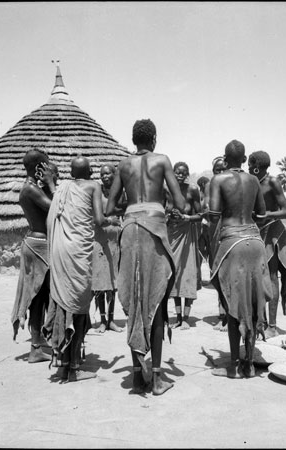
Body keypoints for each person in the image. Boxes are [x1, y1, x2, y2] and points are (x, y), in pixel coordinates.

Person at [106, 119, 185, 395]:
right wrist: (162, 207)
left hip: (129, 228)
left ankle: (139, 377)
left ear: (133, 140)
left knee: (137, 300)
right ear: (153, 139)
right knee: (157, 299)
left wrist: (131, 210)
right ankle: (159, 377)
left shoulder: (123, 165)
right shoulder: (162, 160)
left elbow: (108, 207)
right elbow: (181, 202)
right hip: (154, 229)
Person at [209, 140, 272, 378]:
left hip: (231, 243)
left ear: (225, 160)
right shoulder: (254, 180)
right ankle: (250, 364)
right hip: (255, 243)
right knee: (254, 303)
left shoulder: (218, 180)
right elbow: (262, 215)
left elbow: (214, 215)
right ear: (244, 160)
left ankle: (235, 365)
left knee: (232, 303)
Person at [42, 156, 105, 382]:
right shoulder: (93, 186)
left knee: (62, 302)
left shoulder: (63, 188)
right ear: (89, 172)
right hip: (79, 252)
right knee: (78, 304)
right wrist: (113, 218)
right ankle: (73, 368)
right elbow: (98, 219)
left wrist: (50, 184)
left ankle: (64, 362)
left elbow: (55, 203)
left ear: (71, 172)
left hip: (60, 250)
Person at [11, 148, 56, 363]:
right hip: (38, 246)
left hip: (40, 244)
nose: (48, 169)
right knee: (37, 296)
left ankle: (39, 340)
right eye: (46, 166)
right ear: (39, 168)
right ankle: (35, 347)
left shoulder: (32, 188)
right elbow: (55, 207)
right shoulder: (30, 189)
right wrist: (51, 184)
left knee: (43, 294)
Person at [248, 151, 286, 338]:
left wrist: (267, 216)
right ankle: (261, 322)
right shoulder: (250, 183)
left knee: (271, 277)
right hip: (256, 233)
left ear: (257, 165)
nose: (248, 167)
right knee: (257, 279)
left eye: (250, 164)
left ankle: (272, 326)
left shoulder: (272, 182)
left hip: (273, 232)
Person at [165, 162, 202, 330]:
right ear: (172, 173)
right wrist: (168, 215)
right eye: (177, 172)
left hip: (187, 235)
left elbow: (200, 215)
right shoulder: (166, 189)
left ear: (187, 174)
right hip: (171, 234)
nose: (180, 175)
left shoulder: (192, 190)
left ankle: (186, 318)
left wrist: (186, 217)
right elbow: (160, 210)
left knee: (187, 273)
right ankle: (177, 316)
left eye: (183, 173)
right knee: (174, 273)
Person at [92, 163, 125, 333]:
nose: (104, 176)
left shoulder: (121, 192)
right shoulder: (97, 193)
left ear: (114, 174)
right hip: (99, 239)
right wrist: (110, 219)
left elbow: (125, 210)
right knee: (100, 281)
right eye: (102, 174)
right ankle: (102, 320)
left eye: (107, 173)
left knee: (112, 282)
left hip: (115, 241)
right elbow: (96, 216)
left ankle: (111, 319)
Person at [202, 156, 229, 332]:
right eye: (216, 170)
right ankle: (222, 315)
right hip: (214, 231)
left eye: (222, 169)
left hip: (228, 229)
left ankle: (230, 315)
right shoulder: (209, 186)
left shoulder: (232, 185)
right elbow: (205, 207)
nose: (219, 172)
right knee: (218, 273)